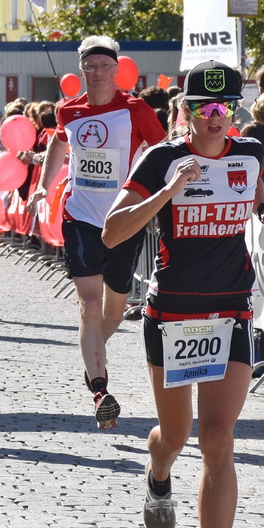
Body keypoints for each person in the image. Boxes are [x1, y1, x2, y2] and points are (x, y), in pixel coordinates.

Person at [103, 62, 264, 528]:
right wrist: (168, 192)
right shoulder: (161, 159)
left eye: (224, 108)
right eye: (203, 108)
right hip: (173, 313)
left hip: (230, 309)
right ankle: (158, 473)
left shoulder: (249, 152)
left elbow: (251, 188)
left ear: (236, 111)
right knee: (175, 435)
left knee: (218, 439)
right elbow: (112, 232)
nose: (214, 118)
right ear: (184, 110)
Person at [34, 35, 167, 428]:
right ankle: (100, 389)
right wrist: (43, 185)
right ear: (81, 69)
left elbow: (162, 152)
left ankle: (91, 351)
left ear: (116, 69)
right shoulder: (68, 110)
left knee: (112, 311)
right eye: (90, 65)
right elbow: (59, 146)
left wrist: (162, 197)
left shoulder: (135, 109)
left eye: (104, 65)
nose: (97, 72)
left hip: (124, 219)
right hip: (80, 217)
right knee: (89, 306)